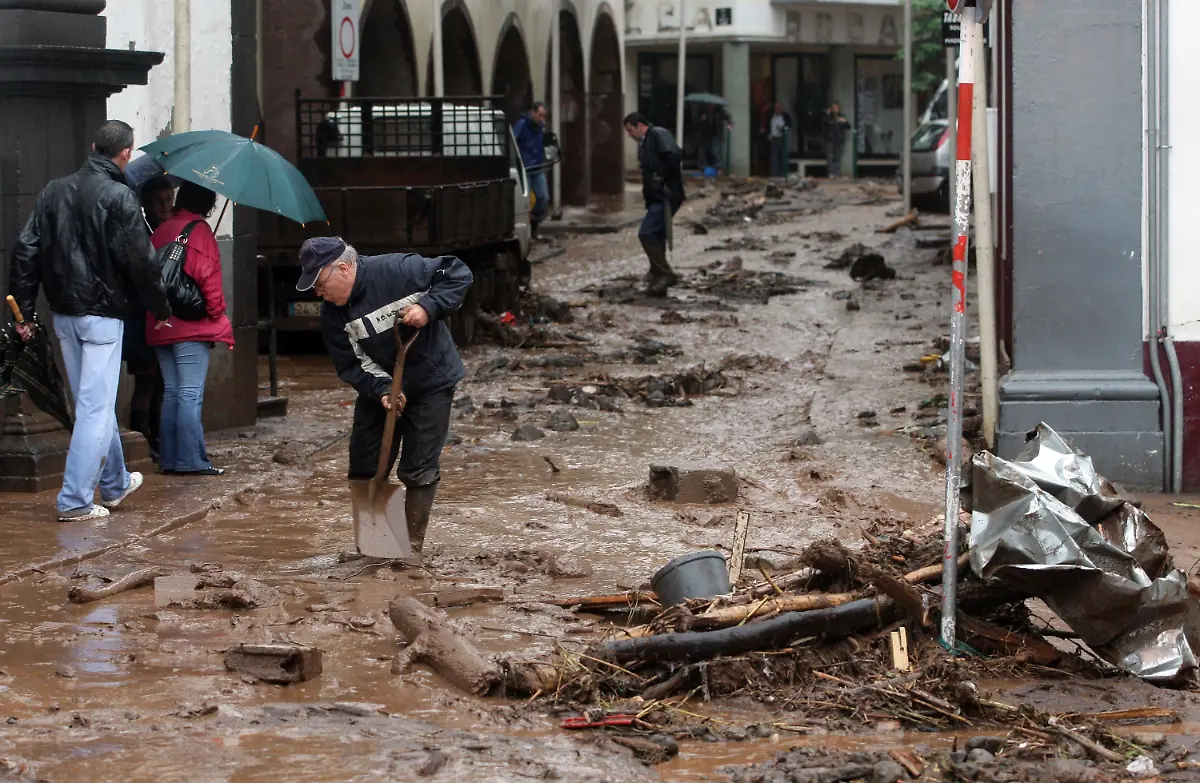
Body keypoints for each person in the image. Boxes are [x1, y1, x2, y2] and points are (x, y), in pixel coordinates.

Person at [9, 119, 173, 521]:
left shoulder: (53, 190)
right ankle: (75, 500)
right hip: (102, 315)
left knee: (92, 404)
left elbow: (26, 250)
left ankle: (114, 483)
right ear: (125, 154)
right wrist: (161, 308)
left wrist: (26, 312)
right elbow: (141, 259)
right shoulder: (119, 196)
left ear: (95, 145)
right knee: (95, 408)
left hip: (63, 312)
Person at [297, 236, 473, 557]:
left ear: (344, 268)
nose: (319, 294)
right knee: (364, 464)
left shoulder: (399, 271)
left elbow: (457, 273)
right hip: (379, 385)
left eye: (321, 285)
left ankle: (411, 549)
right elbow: (351, 364)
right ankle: (373, 546)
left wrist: (427, 307)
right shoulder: (333, 317)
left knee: (418, 466)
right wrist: (381, 390)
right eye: (314, 289)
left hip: (431, 379)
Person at [147, 181, 234, 476]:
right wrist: (217, 313)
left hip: (159, 323)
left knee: (172, 391)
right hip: (190, 327)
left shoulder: (161, 230)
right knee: (189, 393)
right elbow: (209, 281)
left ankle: (170, 459)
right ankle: (190, 461)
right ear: (207, 205)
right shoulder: (199, 231)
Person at [124, 175, 176, 460]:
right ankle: (141, 439)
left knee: (162, 381)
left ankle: (157, 436)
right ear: (145, 203)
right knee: (146, 380)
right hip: (142, 316)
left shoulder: (174, 231)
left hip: (165, 315)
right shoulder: (140, 232)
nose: (165, 206)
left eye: (169, 199)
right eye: (159, 201)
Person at [623, 112, 685, 297]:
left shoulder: (657, 134)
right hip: (656, 197)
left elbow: (674, 155)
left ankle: (665, 274)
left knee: (647, 232)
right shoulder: (645, 142)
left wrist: (661, 177)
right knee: (657, 234)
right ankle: (657, 273)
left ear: (640, 125)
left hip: (666, 195)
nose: (629, 135)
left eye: (630, 130)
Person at [513, 102, 549, 238]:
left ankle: (534, 221)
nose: (541, 119)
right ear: (532, 113)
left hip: (537, 168)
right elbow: (513, 142)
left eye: (543, 116)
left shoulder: (541, 127)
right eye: (539, 115)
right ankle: (528, 232)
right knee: (525, 201)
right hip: (525, 169)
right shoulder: (522, 125)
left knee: (543, 197)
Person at [696, 105, 731, 175]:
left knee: (715, 150)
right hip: (706, 134)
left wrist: (729, 124)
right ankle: (703, 167)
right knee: (703, 151)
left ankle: (717, 167)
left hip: (716, 134)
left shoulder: (720, 111)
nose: (711, 106)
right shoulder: (704, 111)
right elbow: (697, 122)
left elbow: (727, 118)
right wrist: (702, 119)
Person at [824, 102, 852, 178]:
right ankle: (831, 173)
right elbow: (823, 124)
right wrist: (827, 114)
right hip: (830, 139)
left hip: (839, 139)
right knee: (830, 157)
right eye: (833, 107)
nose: (835, 109)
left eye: (836, 107)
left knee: (837, 157)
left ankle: (837, 173)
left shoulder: (841, 116)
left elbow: (848, 127)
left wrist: (845, 121)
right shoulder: (828, 117)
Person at [767, 102, 793, 178]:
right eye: (776, 108)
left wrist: (784, 129)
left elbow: (789, 124)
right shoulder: (771, 117)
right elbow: (767, 126)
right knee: (774, 158)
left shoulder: (785, 116)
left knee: (783, 157)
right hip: (773, 138)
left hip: (782, 138)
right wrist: (768, 135)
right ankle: (774, 175)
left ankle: (783, 174)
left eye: (779, 108)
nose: (777, 109)